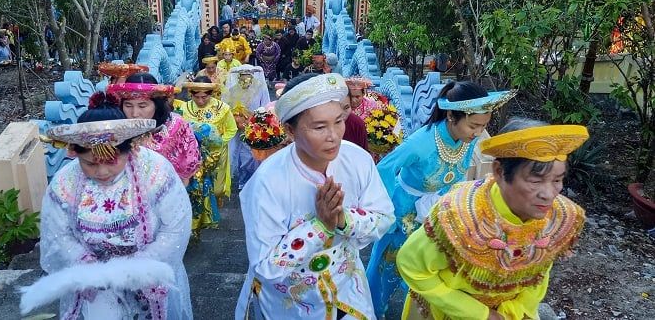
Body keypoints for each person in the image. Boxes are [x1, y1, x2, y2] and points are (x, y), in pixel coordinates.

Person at [235, 73, 395, 319]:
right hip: (289, 299)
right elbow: (265, 266)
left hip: (346, 288)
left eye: (339, 121)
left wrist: (343, 220)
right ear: (290, 130)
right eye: (319, 127)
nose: (334, 135)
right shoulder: (268, 181)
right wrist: (319, 227)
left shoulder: (357, 160)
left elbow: (385, 217)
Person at [396, 119, 588, 320]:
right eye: (535, 181)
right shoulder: (459, 215)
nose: (549, 194)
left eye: (557, 180)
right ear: (498, 172)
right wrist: (479, 313)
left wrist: (516, 310)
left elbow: (540, 271)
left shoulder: (561, 216)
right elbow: (411, 265)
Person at [34, 96, 193, 319]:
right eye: (89, 163)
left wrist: (141, 267)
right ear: (75, 153)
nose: (101, 172)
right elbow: (58, 233)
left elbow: (176, 225)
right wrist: (87, 266)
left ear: (131, 148)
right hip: (97, 284)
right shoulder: (64, 183)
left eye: (111, 161)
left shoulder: (155, 171)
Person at [366, 82, 516, 318]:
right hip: (404, 212)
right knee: (386, 269)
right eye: (474, 126)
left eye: (484, 126)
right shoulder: (420, 142)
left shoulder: (467, 140)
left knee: (427, 272)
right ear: (451, 116)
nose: (477, 133)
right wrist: (385, 211)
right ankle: (373, 312)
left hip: (438, 211)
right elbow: (384, 168)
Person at [107, 73, 201, 187]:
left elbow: (185, 172)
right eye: (128, 105)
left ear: (156, 105)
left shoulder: (177, 125)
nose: (134, 113)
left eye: (142, 106)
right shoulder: (114, 128)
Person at [177, 76, 238, 203]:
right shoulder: (183, 108)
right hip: (192, 154)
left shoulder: (223, 108)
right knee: (195, 188)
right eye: (196, 97)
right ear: (191, 94)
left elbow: (232, 129)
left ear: (211, 94)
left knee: (217, 189)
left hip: (216, 153)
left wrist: (218, 143)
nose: (200, 101)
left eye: (204, 97)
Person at [222, 65, 271, 189]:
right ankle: (243, 181)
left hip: (255, 127)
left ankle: (254, 180)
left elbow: (265, 107)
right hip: (238, 128)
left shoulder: (260, 89)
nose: (245, 82)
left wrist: (257, 121)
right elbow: (226, 108)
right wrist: (237, 119)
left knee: (253, 155)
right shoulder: (233, 90)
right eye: (243, 79)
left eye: (248, 79)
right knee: (240, 154)